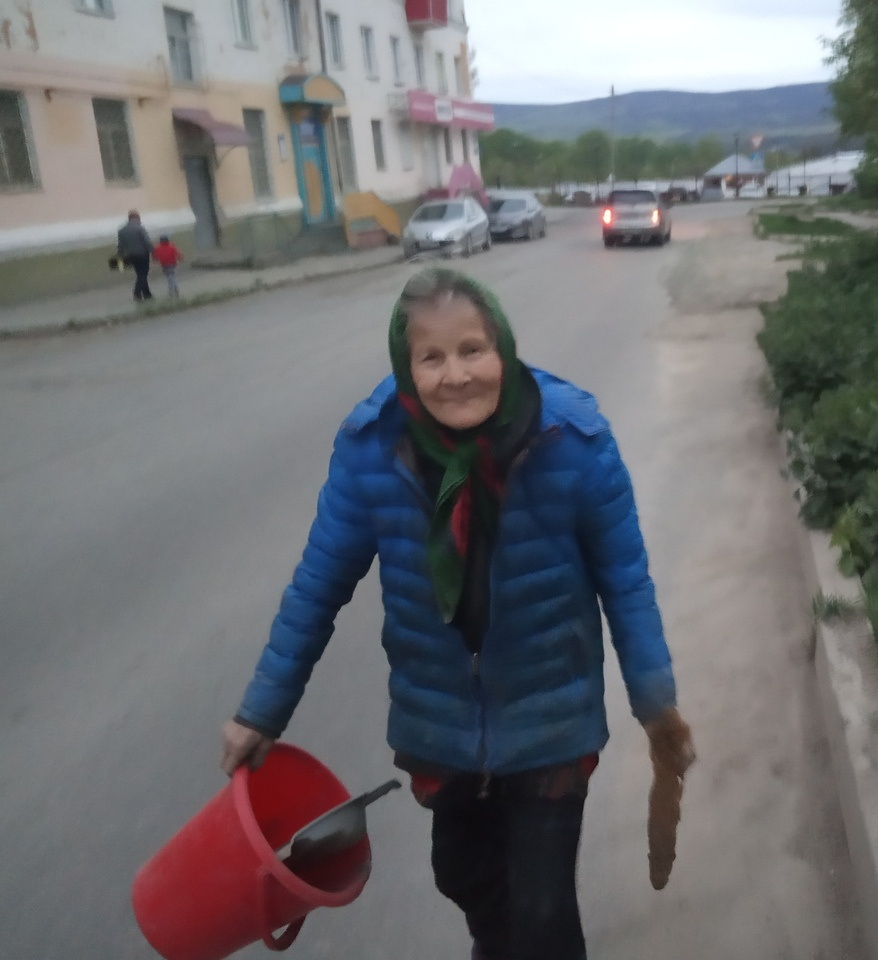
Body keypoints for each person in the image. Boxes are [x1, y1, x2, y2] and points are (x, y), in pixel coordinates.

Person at [220, 267, 695, 960]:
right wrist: (262, 711)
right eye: (431, 357)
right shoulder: (374, 449)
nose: (455, 375)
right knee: (463, 875)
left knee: (542, 911)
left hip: (551, 720)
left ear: (502, 347)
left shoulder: (573, 440)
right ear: (406, 366)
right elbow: (318, 584)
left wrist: (657, 707)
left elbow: (626, 582)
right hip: (439, 723)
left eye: (472, 350)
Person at [116, 210, 154, 302]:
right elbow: (147, 241)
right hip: (142, 254)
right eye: (139, 217)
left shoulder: (122, 231)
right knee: (143, 274)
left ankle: (147, 294)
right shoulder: (140, 228)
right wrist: (153, 251)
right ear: (136, 218)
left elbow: (121, 245)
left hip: (131, 255)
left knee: (140, 274)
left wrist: (120, 256)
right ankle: (137, 293)